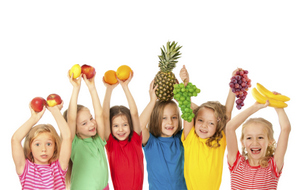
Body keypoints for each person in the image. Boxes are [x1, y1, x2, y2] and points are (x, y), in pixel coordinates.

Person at [180, 65, 236, 190]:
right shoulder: (190, 138)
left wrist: (233, 83)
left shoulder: (220, 140)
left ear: (218, 126)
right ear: (194, 120)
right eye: (200, 120)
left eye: (211, 123)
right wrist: (185, 82)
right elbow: (187, 106)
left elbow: (227, 113)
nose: (204, 125)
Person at [226, 99, 291, 189]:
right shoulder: (236, 164)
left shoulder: (273, 166)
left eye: (260, 137)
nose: (255, 142)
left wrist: (278, 105)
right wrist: (254, 107)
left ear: (270, 141)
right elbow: (229, 127)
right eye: (249, 138)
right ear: (243, 142)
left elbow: (285, 128)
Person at [11, 101, 71, 190]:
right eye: (37, 144)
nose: (43, 149)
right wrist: (34, 118)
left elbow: (67, 137)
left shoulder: (58, 168)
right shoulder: (25, 169)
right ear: (30, 147)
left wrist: (55, 111)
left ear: (55, 147)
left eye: (48, 144)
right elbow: (15, 139)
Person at [64, 72, 109, 190]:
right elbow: (72, 118)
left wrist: (92, 87)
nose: (91, 124)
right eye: (84, 123)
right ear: (76, 130)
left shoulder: (98, 139)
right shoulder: (74, 143)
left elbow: (99, 115)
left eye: (90, 118)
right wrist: (76, 88)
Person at [140, 79, 187, 190]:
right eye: (163, 118)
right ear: (155, 119)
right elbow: (139, 126)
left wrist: (181, 100)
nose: (170, 122)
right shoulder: (151, 142)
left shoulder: (181, 138)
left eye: (174, 117)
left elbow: (196, 117)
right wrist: (152, 101)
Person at [103, 72, 144, 190]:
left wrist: (125, 87)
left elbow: (135, 114)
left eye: (125, 124)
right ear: (110, 128)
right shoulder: (110, 144)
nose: (121, 129)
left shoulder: (136, 141)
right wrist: (109, 90)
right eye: (115, 126)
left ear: (130, 125)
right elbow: (105, 116)